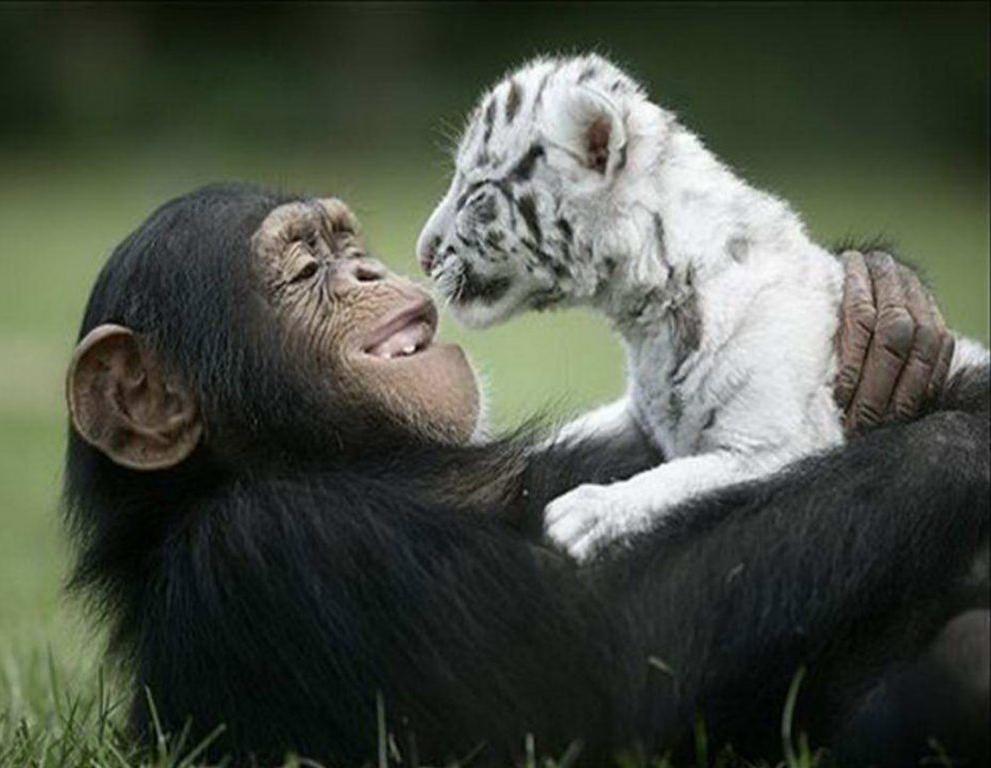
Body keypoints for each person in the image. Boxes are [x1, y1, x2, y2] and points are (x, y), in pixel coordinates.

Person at [63, 185, 989, 766]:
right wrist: (947, 457)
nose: (374, 274)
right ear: (148, 401)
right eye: (309, 267)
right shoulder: (243, 548)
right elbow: (609, 680)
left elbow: (730, 447)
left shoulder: (441, 500)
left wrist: (860, 314)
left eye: (352, 247)